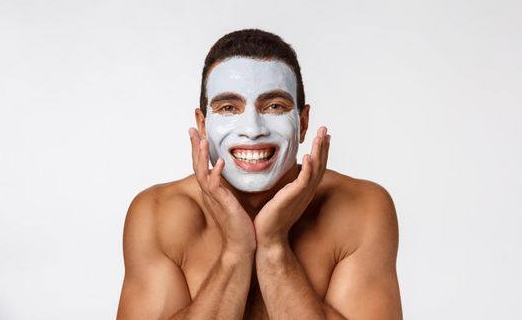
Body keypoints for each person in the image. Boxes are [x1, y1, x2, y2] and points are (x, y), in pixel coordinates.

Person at [116, 29, 403, 320]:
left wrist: (274, 246)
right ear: (202, 126)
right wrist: (236, 252)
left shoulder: (361, 208)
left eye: (274, 106)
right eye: (229, 108)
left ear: (303, 124)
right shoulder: (158, 214)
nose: (253, 129)